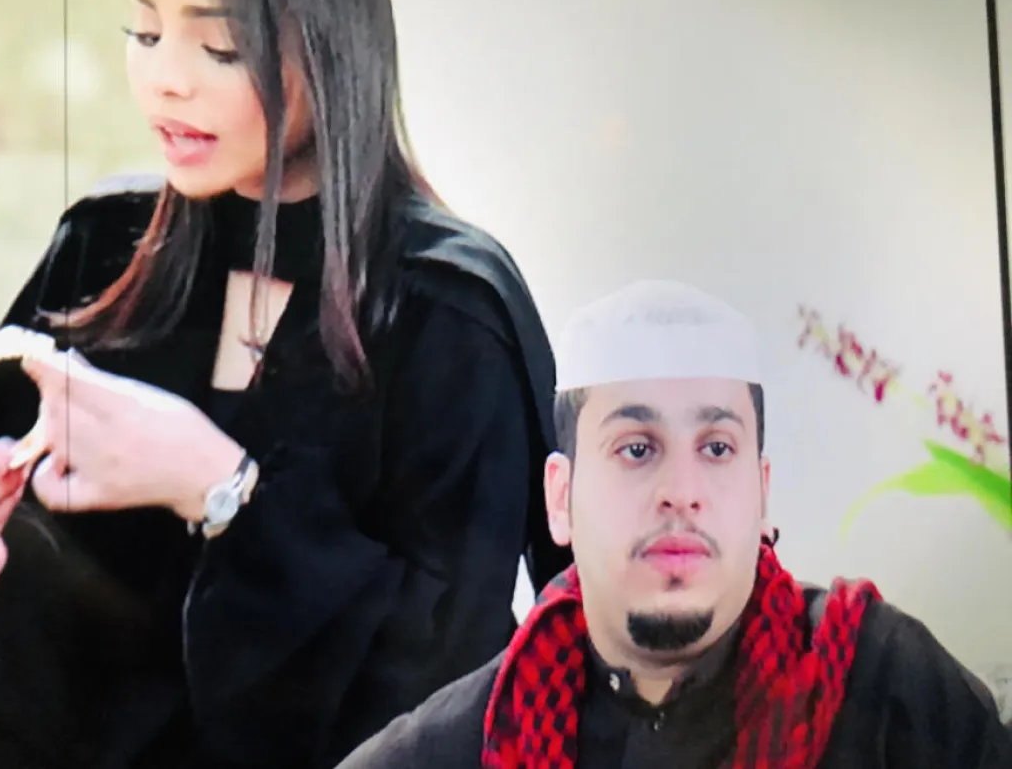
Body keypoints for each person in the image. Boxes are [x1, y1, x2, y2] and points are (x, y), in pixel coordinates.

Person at [0, 0, 570, 767]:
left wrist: (224, 490)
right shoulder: (102, 251)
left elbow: (456, 696)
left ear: (334, 50)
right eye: (144, 33)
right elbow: (2, 701)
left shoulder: (449, 311)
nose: (165, 82)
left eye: (219, 48)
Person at [338, 280, 1012, 768]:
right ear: (560, 498)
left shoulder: (888, 686)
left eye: (716, 449)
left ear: (761, 492)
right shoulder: (463, 743)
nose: (682, 493)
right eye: (637, 449)